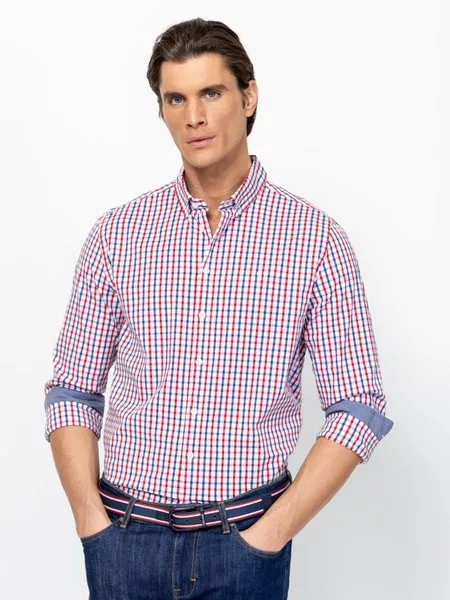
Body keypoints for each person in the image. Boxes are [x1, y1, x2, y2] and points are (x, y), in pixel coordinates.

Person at [44, 17, 394, 600]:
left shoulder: (315, 240)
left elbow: (358, 405)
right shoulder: (117, 234)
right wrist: (91, 522)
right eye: (175, 99)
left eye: (211, 92)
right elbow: (72, 389)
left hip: (246, 543)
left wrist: (270, 535)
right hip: (124, 539)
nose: (194, 117)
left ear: (248, 96)